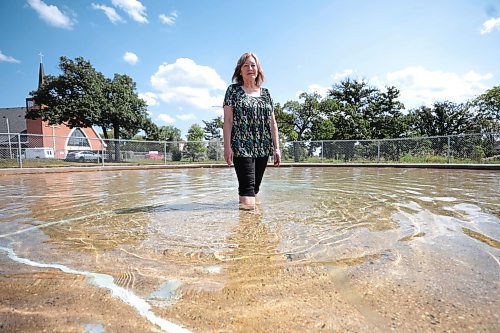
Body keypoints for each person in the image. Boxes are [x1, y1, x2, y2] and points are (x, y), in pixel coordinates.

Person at [223, 52, 281, 210]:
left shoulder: (266, 94)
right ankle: (250, 229)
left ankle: (252, 227)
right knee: (248, 196)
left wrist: (277, 148)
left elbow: (273, 122)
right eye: (246, 65)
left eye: (253, 65)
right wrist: (227, 147)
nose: (250, 68)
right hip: (241, 146)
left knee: (253, 191)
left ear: (258, 69)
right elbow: (227, 121)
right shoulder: (233, 91)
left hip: (263, 147)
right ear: (240, 70)